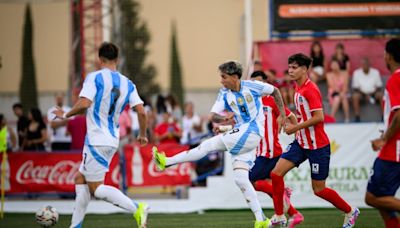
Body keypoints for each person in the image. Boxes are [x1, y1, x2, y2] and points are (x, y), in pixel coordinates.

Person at [153, 60, 287, 228]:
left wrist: (282, 114)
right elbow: (213, 116)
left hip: (253, 131)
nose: (221, 81)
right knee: (241, 179)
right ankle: (261, 220)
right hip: (243, 135)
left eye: (224, 77)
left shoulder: (253, 86)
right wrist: (224, 121)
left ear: (234, 77)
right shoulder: (224, 93)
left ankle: (166, 161)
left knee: (207, 146)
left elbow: (275, 91)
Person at [52, 42, 149, 228]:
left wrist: (65, 115)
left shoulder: (94, 77)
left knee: (96, 188)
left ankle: (137, 207)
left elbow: (84, 104)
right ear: (117, 60)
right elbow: (142, 112)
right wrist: (143, 134)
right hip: (112, 140)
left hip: (96, 140)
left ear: (100, 59)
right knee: (80, 178)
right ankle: (75, 226)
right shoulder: (127, 83)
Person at [269, 53, 359, 227]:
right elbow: (303, 115)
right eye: (289, 67)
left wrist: (295, 128)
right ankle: (280, 215)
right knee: (275, 174)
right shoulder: (297, 88)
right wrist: (289, 119)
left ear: (305, 69)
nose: (290, 70)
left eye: (294, 67)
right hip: (301, 143)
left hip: (317, 146)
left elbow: (319, 117)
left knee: (319, 190)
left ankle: (350, 211)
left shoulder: (310, 89)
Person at [249, 71, 303, 228]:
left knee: (250, 181)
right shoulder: (252, 103)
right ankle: (294, 214)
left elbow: (292, 116)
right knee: (268, 185)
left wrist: (295, 133)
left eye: (259, 83)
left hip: (270, 151)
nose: (256, 86)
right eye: (253, 83)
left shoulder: (271, 101)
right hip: (262, 151)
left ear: (266, 84)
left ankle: (284, 194)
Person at [365, 38, 400, 228]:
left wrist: (384, 139)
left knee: (372, 197)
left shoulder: (396, 78)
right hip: (393, 147)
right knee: (382, 199)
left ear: (389, 55)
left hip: (393, 150)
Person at [351, 57, 383, 122]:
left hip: (374, 94)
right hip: (362, 94)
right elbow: (355, 88)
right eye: (363, 64)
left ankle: (384, 116)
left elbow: (379, 86)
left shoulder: (375, 72)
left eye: (366, 64)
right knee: (355, 96)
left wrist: (371, 94)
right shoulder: (356, 73)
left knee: (381, 95)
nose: (365, 65)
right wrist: (366, 95)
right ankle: (357, 117)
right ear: (361, 65)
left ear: (369, 64)